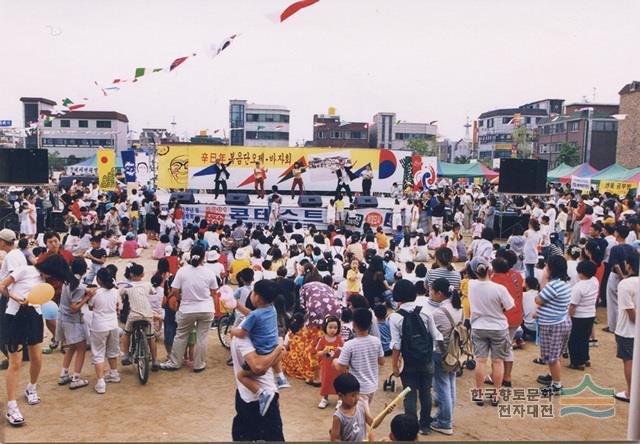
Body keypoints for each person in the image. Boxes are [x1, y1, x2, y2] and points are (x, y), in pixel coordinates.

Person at [0, 255, 72, 426]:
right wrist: (16, 297)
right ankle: (11, 407)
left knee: (37, 358)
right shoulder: (25, 270)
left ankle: (31, 388)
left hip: (34, 317)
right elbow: (2, 285)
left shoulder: (43, 280)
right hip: (15, 316)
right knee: (15, 362)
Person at [389, 279, 441, 435]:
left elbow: (396, 345)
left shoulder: (395, 317)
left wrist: (395, 365)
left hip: (408, 361)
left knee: (409, 394)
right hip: (426, 359)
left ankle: (411, 428)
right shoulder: (425, 311)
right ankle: (425, 425)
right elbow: (434, 335)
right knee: (426, 391)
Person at [160, 245, 218, 372]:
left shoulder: (183, 271)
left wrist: (180, 298)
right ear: (204, 257)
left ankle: (175, 362)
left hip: (187, 309)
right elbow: (214, 293)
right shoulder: (209, 272)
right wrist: (215, 309)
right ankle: (199, 364)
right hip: (206, 308)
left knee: (181, 335)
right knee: (202, 337)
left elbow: (175, 290)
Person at [231, 279, 283, 416]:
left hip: (261, 353)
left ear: (257, 297)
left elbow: (242, 332)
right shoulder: (272, 309)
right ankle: (280, 376)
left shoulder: (253, 317)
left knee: (241, 375)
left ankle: (261, 393)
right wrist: (237, 306)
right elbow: (253, 315)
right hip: (272, 346)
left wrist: (232, 330)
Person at [467, 256, 514, 406]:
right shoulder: (499, 289)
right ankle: (496, 394)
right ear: (489, 269)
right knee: (498, 361)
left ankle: (480, 393)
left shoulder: (471, 285)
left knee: (480, 361)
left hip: (479, 326)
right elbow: (509, 306)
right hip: (498, 327)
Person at [230, 336, 285, 441]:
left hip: (251, 395)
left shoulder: (252, 333)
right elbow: (258, 368)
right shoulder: (245, 338)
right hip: (255, 399)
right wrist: (278, 350)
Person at [535, 255, 572, 396]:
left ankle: (556, 385)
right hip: (561, 322)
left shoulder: (553, 285)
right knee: (557, 355)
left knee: (552, 357)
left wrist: (544, 278)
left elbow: (538, 299)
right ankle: (553, 378)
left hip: (552, 325)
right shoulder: (564, 283)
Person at [430, 277, 463, 435]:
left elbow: (432, 334)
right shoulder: (458, 307)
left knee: (442, 387)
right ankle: (445, 417)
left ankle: (445, 422)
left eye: (432, 290)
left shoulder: (438, 312)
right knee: (450, 384)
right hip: (455, 351)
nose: (430, 292)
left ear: (439, 293)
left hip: (441, 353)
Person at [56, 258, 94, 390]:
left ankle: (64, 374)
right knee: (81, 348)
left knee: (71, 347)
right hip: (72, 320)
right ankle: (76, 378)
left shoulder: (67, 281)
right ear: (84, 270)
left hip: (62, 318)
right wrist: (87, 298)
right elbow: (74, 307)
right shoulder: (78, 286)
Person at [334, 308, 384, 406]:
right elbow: (381, 362)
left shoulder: (349, 345)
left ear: (353, 325)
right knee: (364, 411)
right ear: (370, 325)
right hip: (372, 386)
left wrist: (335, 360)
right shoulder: (376, 341)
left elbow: (340, 367)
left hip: (357, 388)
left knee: (357, 415)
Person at [88, 268, 121, 394]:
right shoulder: (115, 291)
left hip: (99, 326)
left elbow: (91, 306)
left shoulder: (96, 293)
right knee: (113, 349)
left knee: (98, 352)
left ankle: (100, 382)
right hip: (113, 324)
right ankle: (114, 373)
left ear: (98, 280)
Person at [119, 263, 158, 370]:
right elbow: (153, 292)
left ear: (131, 274)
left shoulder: (127, 286)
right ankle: (155, 361)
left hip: (134, 314)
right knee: (151, 337)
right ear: (143, 274)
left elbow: (121, 294)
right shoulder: (147, 284)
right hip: (147, 314)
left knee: (126, 333)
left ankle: (126, 354)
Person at [613, 252, 639, 403]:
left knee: (628, 360)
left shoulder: (626, 284)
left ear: (628, 265)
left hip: (628, 330)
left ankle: (630, 392)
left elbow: (630, 313)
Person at [567, 260, 598, 370]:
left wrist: (568, 316)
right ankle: (585, 358)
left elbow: (573, 305)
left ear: (580, 273)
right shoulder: (595, 282)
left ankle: (577, 362)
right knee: (584, 338)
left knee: (574, 340)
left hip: (579, 316)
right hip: (590, 314)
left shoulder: (578, 287)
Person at [605, 225, 635, 333]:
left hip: (616, 276)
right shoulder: (631, 248)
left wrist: (622, 276)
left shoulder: (615, 248)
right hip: (628, 275)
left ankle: (613, 326)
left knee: (612, 302)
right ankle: (620, 325)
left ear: (617, 234)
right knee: (623, 302)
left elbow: (615, 265)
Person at [329, 373, 372, 442]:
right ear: (341, 395)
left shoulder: (360, 407)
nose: (357, 398)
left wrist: (385, 412)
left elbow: (373, 423)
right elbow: (334, 439)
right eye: (353, 395)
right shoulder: (338, 417)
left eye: (358, 393)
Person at [316, 314, 344, 409]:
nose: (333, 330)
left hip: (337, 366)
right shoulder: (322, 340)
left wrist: (340, 349)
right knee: (326, 382)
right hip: (327, 366)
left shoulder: (339, 339)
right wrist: (323, 351)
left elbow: (344, 349)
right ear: (325, 327)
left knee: (339, 382)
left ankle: (340, 399)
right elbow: (317, 352)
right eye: (330, 327)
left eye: (335, 327)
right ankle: (325, 398)